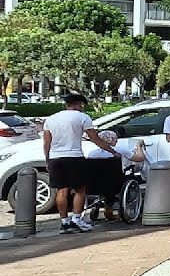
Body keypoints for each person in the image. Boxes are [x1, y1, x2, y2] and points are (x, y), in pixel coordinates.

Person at [43, 93, 122, 234]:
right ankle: (77, 220)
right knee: (80, 189)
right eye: (82, 105)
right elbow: (95, 138)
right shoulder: (82, 117)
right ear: (79, 104)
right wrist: (112, 151)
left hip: (55, 158)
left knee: (61, 190)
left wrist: (47, 159)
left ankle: (64, 222)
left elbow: (47, 142)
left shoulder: (50, 119)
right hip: (74, 157)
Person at [86, 131, 148, 221]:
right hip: (115, 183)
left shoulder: (92, 154)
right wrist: (139, 146)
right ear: (111, 140)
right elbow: (140, 158)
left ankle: (107, 209)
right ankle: (112, 209)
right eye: (115, 139)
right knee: (127, 176)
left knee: (107, 180)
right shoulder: (120, 150)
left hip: (96, 184)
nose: (117, 141)